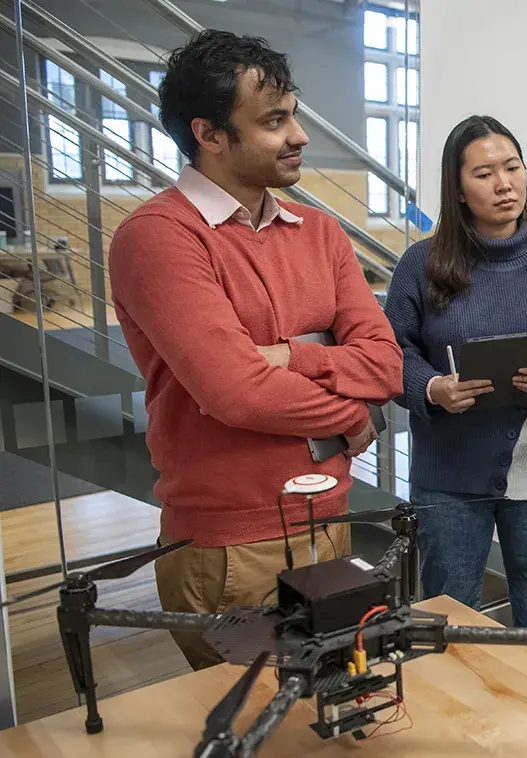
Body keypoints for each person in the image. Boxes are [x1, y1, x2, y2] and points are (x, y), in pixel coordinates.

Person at [108, 31, 401, 669]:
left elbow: (384, 363)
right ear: (209, 135)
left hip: (329, 518)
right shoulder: (159, 238)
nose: (298, 135)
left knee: (333, 712)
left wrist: (294, 357)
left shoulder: (318, 231)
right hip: (232, 543)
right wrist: (350, 414)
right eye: (274, 121)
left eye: (293, 114)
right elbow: (237, 390)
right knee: (254, 728)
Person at [383, 116, 527, 636]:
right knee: (447, 615)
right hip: (449, 474)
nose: (504, 184)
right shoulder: (421, 265)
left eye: (513, 168)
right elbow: (391, 351)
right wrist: (431, 388)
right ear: (457, 190)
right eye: (484, 174)